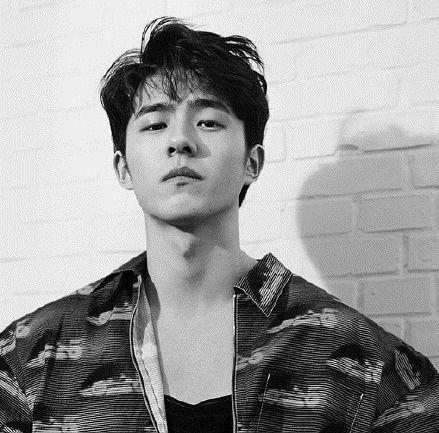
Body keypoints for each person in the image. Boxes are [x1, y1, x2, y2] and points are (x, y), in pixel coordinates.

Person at [1, 16, 438, 433]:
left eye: (208, 122)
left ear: (252, 162)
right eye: (155, 124)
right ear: (124, 168)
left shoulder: (361, 363)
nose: (180, 140)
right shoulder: (31, 358)